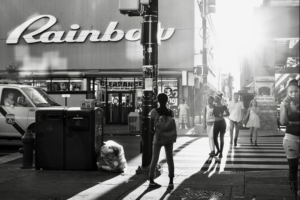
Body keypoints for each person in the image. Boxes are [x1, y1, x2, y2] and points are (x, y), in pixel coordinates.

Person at [149, 93, 177, 188]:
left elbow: (151, 128)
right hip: (169, 138)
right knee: (170, 159)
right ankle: (171, 182)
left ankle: (151, 181)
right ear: (167, 100)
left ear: (158, 101)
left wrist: (158, 131)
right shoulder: (171, 112)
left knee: (154, 159)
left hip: (158, 138)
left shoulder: (153, 112)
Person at [280, 79, 299, 199]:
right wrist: (283, 106)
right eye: (291, 92)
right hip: (291, 139)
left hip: (292, 135)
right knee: (293, 168)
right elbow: (283, 122)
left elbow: (289, 122)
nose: (293, 94)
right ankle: (294, 194)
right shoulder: (285, 104)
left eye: (296, 91)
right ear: (288, 93)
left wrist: (293, 122)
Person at [212, 93, 230, 158]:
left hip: (222, 123)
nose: (214, 99)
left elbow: (228, 113)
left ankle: (221, 152)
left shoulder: (224, 106)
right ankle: (218, 150)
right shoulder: (214, 106)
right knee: (214, 137)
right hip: (216, 123)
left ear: (219, 100)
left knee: (221, 138)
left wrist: (223, 115)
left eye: (216, 98)